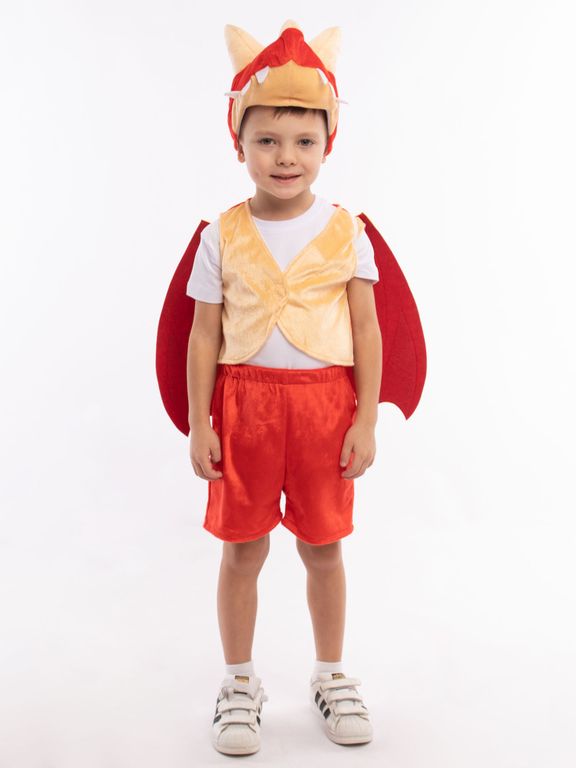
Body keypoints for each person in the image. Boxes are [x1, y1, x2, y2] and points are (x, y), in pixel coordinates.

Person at [156, 20, 426, 757]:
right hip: (242, 409)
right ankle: (239, 681)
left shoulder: (347, 232)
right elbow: (202, 335)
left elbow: (368, 329)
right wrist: (200, 422)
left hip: (324, 411)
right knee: (242, 551)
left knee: (323, 548)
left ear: (328, 144)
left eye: (304, 141)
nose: (285, 156)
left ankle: (331, 674)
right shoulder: (221, 235)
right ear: (238, 143)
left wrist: (365, 420)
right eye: (267, 140)